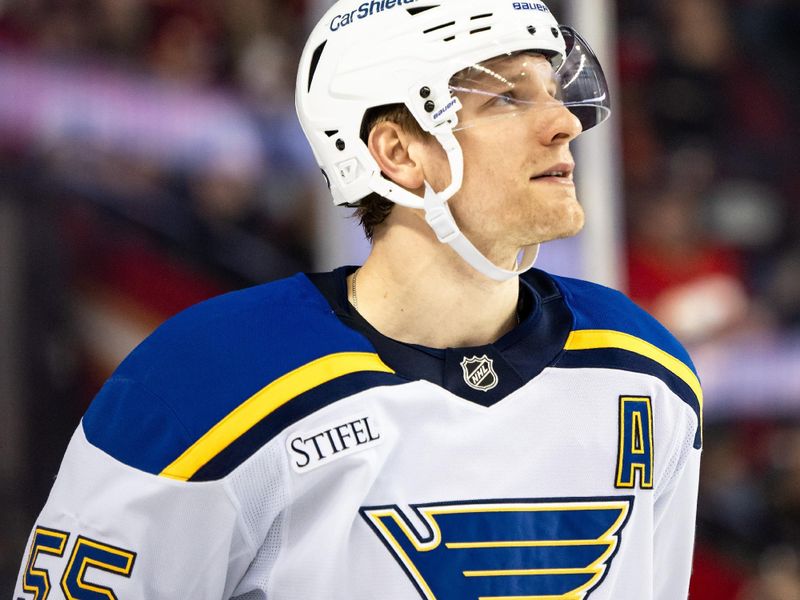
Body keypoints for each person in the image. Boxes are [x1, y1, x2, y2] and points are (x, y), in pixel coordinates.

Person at [14, 0, 702, 598]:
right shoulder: (205, 382)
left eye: (555, 92)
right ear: (397, 153)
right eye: (508, 98)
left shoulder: (644, 372)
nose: (565, 125)